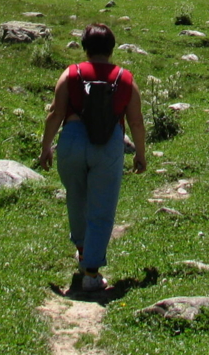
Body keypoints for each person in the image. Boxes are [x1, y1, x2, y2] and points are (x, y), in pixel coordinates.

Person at [38, 23, 147, 295]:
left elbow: (55, 113)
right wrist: (141, 154)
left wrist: (45, 148)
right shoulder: (125, 78)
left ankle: (83, 250)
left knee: (76, 197)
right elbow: (136, 121)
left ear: (85, 48)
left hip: (72, 139)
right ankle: (91, 273)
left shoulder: (71, 73)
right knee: (102, 207)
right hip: (108, 143)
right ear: (111, 49)